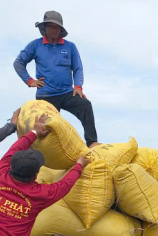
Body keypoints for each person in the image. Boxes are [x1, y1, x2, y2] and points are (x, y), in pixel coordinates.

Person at [14, 11, 99, 147]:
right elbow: (18, 63)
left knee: (85, 105)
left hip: (67, 92)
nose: (54, 30)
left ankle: (92, 142)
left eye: (56, 27)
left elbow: (78, 68)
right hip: (46, 95)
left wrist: (78, 87)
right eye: (50, 26)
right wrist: (30, 81)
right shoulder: (35, 45)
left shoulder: (70, 47)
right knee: (48, 127)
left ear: (61, 29)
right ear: (45, 28)